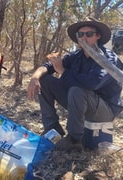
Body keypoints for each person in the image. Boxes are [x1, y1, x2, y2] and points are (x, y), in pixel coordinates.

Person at [27, 17, 123, 150]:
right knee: (45, 80)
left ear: (98, 36)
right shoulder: (76, 55)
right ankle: (52, 128)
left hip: (105, 109)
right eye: (80, 34)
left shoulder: (108, 58)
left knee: (77, 89)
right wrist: (35, 77)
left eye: (89, 34)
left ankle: (74, 139)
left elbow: (93, 83)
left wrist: (63, 72)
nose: (84, 38)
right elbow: (48, 66)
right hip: (81, 102)